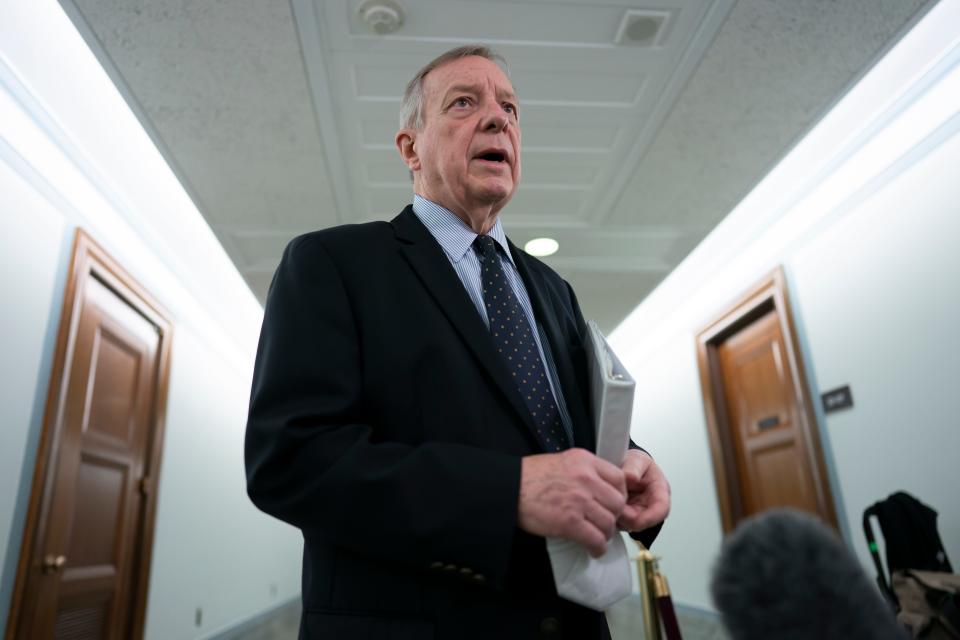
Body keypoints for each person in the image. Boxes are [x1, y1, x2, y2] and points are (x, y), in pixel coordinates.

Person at [245, 44, 670, 640]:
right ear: (410, 148)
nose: (498, 119)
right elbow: (289, 462)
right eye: (464, 102)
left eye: (510, 108)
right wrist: (508, 492)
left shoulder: (554, 290)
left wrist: (632, 463)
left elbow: (561, 426)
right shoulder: (332, 264)